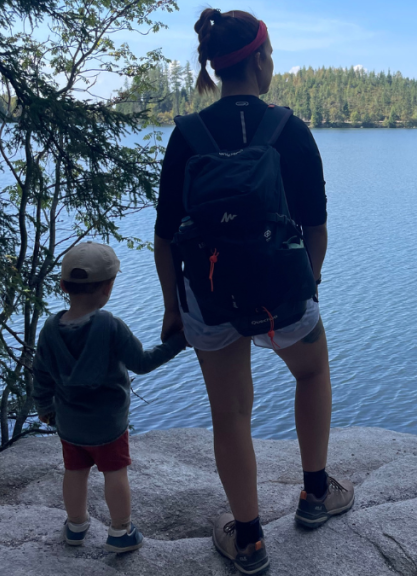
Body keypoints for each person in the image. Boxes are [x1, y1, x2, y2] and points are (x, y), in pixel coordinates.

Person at [153, 8, 352, 575]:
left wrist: (173, 309)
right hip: (281, 291)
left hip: (209, 294)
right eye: (271, 54)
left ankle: (249, 541)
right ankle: (316, 494)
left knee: (231, 413)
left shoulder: (187, 135)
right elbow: (315, 228)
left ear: (216, 68)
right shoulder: (290, 130)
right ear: (260, 59)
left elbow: (165, 239)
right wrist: (309, 284)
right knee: (311, 372)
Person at [33, 241, 187, 553]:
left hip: (70, 424)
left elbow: (41, 375)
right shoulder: (110, 325)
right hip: (108, 424)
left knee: (74, 472)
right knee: (115, 473)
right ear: (109, 287)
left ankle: (75, 526)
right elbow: (142, 363)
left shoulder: (49, 329)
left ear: (63, 286)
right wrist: (178, 342)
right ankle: (121, 531)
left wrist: (45, 407)